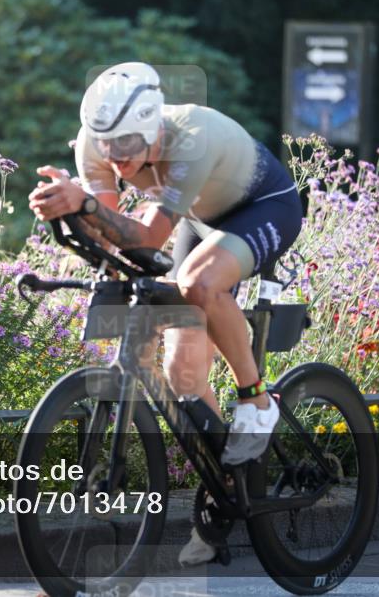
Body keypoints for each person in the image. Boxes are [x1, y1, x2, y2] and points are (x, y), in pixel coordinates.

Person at [28, 62, 302, 565]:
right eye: (106, 143)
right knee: (182, 372)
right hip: (198, 220)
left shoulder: (190, 138)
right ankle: (226, 492)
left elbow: (149, 237)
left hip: (264, 205)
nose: (117, 157)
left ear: (154, 130)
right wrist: (70, 212)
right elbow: (113, 232)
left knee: (198, 283)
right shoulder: (98, 144)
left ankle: (257, 400)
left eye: (129, 144)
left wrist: (84, 206)